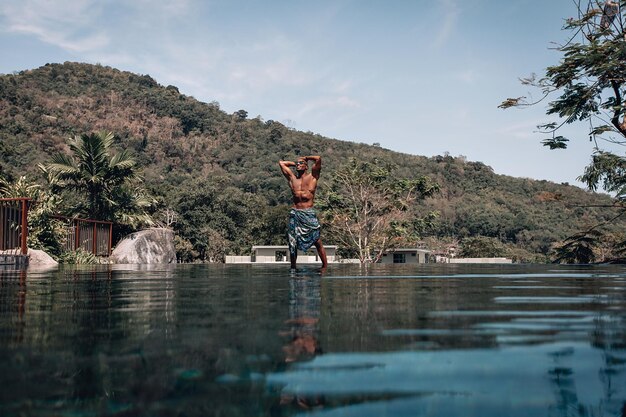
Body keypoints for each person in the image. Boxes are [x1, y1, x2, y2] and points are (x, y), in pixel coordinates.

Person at [279, 155, 328, 270]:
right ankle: (293, 267)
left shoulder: (313, 177)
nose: (298, 165)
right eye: (297, 164)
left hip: (308, 213)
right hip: (295, 213)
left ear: (306, 166)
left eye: (301, 164)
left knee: (317, 240)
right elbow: (281, 163)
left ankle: (325, 266)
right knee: (292, 241)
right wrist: (295, 163)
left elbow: (318, 159)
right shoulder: (292, 179)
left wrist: (306, 157)